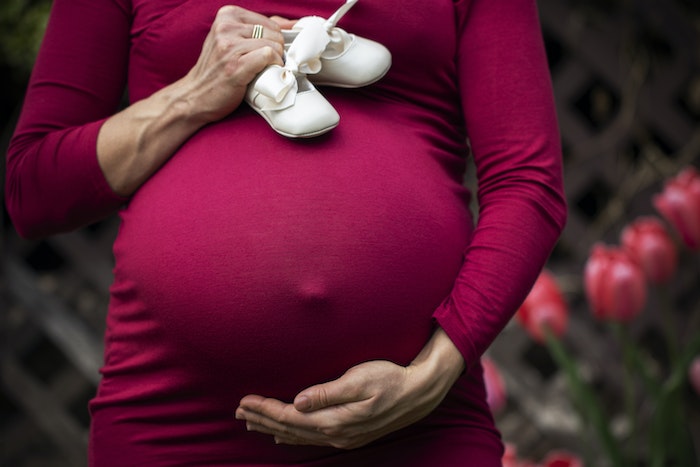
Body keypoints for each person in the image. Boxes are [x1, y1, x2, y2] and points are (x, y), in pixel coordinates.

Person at [5, 0, 567, 465]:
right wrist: (194, 93)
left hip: (416, 422)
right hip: (175, 418)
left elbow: (527, 181)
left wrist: (434, 373)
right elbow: (35, 189)